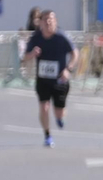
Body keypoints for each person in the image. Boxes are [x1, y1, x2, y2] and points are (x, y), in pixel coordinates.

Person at [23, 11, 77, 147]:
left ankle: (60, 117)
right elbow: (25, 57)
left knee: (59, 112)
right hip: (43, 80)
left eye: (51, 19)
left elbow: (75, 53)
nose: (48, 22)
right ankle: (47, 135)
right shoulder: (36, 38)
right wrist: (32, 54)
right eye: (46, 20)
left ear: (55, 21)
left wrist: (68, 69)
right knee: (44, 107)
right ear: (40, 23)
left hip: (60, 80)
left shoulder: (61, 37)